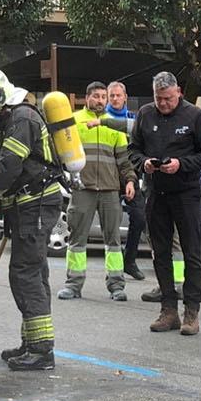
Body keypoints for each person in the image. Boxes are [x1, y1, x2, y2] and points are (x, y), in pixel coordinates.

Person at [0, 65, 67, 371]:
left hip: (35, 205)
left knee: (25, 274)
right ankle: (33, 342)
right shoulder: (15, 118)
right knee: (33, 272)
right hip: (29, 205)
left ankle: (41, 350)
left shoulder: (22, 117)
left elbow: (10, 164)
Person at [130, 72, 201, 336]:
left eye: (168, 98)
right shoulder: (145, 114)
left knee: (191, 252)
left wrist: (182, 165)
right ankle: (168, 309)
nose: (164, 104)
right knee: (160, 253)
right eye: (159, 99)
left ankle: (192, 310)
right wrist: (143, 163)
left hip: (186, 193)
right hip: (157, 193)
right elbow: (132, 149)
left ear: (178, 92)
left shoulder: (194, 116)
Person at [58, 81, 136, 302]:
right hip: (83, 188)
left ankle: (116, 286)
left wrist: (130, 180)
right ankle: (73, 284)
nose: (101, 100)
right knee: (77, 240)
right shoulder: (75, 121)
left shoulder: (113, 125)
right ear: (87, 97)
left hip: (110, 190)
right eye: (97, 96)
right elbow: (62, 152)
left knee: (113, 242)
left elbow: (124, 159)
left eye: (104, 96)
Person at [107, 80, 147, 281]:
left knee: (140, 218)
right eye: (111, 95)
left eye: (118, 95)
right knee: (111, 224)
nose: (114, 98)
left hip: (130, 175)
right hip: (108, 177)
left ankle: (129, 260)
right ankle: (113, 269)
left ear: (125, 97)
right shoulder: (102, 119)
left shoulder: (134, 120)